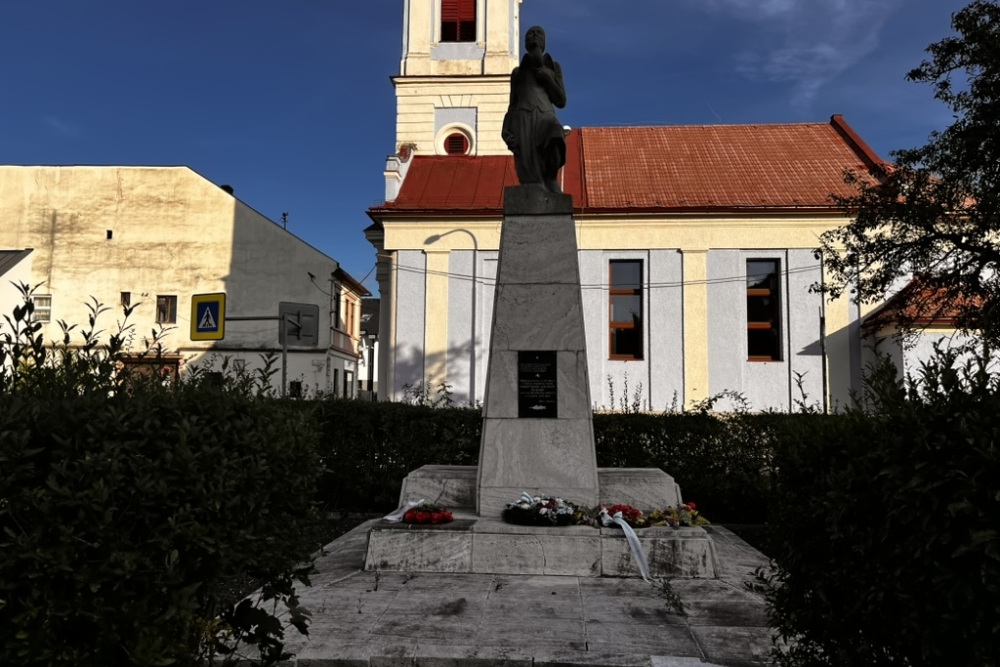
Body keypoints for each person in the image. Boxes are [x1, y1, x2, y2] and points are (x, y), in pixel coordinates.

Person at [502, 26, 567, 193]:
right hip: (522, 117)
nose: (535, 36)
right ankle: (534, 190)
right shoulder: (518, 73)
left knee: (555, 138)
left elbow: (561, 100)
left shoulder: (553, 67)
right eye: (531, 33)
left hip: (545, 115)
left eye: (539, 34)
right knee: (529, 166)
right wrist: (506, 129)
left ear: (544, 42)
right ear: (525, 42)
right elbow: (512, 103)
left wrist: (547, 79)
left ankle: (551, 178)